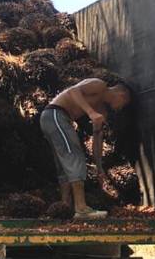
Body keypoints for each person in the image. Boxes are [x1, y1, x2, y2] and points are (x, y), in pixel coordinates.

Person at [39, 79, 132, 219]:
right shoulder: (99, 84)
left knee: (65, 164)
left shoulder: (101, 109)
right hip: (55, 114)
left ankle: (66, 207)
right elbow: (72, 91)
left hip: (58, 119)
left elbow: (97, 137)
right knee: (74, 156)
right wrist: (90, 112)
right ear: (121, 95)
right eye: (123, 105)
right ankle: (81, 208)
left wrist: (99, 166)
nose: (119, 109)